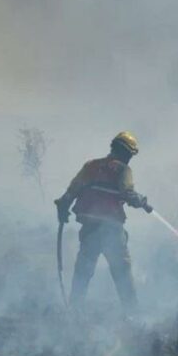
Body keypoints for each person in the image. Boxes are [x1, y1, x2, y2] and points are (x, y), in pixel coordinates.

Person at [55, 131, 152, 309]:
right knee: (122, 275)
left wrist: (63, 208)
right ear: (127, 153)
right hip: (112, 231)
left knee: (82, 274)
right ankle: (132, 315)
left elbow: (70, 192)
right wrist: (142, 202)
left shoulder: (90, 166)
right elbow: (128, 194)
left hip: (90, 230)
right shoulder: (123, 169)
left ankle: (74, 313)